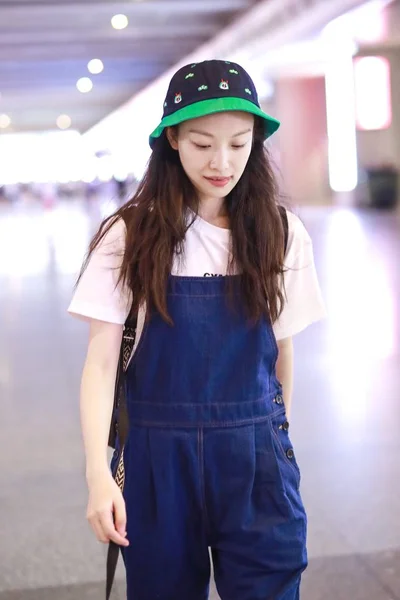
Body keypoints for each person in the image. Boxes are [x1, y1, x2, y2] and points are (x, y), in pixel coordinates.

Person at [68, 59, 326, 600]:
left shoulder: (281, 233)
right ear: (172, 141)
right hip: (157, 457)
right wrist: (98, 474)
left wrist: (273, 445)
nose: (222, 161)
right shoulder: (130, 234)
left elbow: (283, 353)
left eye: (239, 143)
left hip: (254, 451)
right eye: (202, 143)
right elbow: (99, 364)